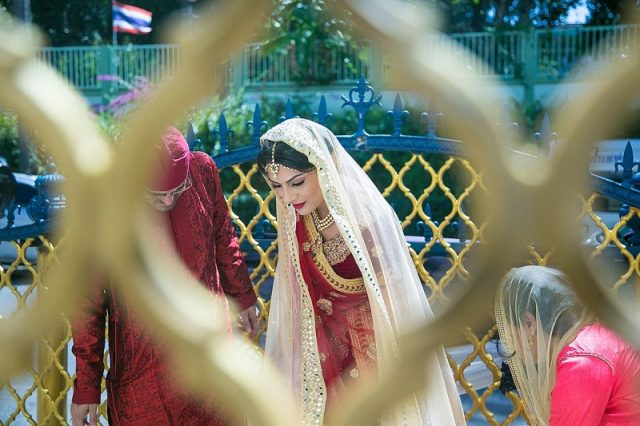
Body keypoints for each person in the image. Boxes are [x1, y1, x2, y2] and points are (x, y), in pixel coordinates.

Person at [256, 118, 465, 424]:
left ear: (325, 166)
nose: (287, 197)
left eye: (297, 182)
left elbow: (398, 303)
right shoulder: (297, 218)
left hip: (372, 354)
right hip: (320, 358)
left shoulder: (367, 220)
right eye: (277, 187)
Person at [70, 127, 259, 426]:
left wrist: (243, 295)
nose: (169, 201)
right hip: (144, 374)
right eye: (157, 196)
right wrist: (86, 387)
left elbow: (223, 237)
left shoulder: (202, 171)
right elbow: (87, 303)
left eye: (178, 190)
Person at [494, 265, 640, 425]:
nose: (508, 344)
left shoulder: (582, 362)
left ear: (529, 324)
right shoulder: (596, 335)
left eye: (507, 333)